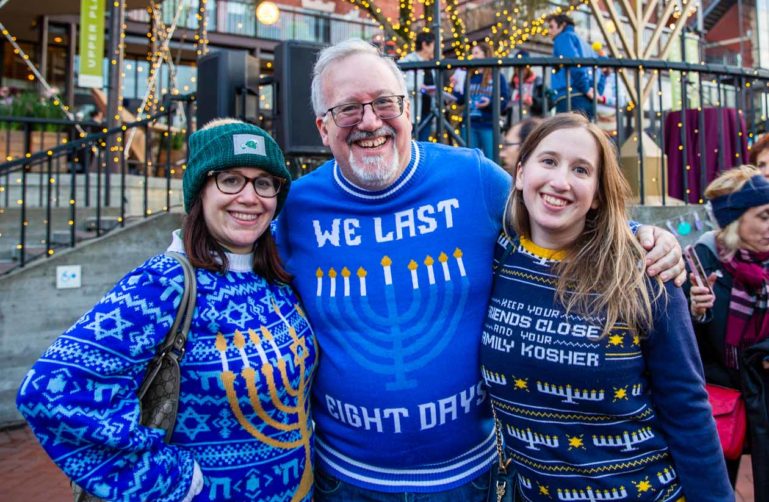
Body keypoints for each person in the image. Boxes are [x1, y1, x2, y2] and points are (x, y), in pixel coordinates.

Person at [275, 38, 684, 501]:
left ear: (408, 108)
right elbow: (227, 246)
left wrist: (646, 236)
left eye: (386, 102)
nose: (371, 121)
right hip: (348, 480)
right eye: (348, 109)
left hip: (469, 477)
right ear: (322, 129)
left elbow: (552, 208)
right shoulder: (297, 208)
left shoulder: (470, 177)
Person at [17, 120, 317, 501]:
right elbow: (51, 392)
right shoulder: (164, 284)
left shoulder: (275, 277)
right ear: (200, 191)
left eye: (264, 182)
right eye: (230, 179)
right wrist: (173, 480)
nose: (249, 196)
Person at [481, 113, 731, 500]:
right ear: (519, 173)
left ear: (597, 194)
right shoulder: (495, 256)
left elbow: (686, 405)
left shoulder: (643, 269)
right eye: (548, 161)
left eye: (581, 170)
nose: (560, 181)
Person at [685, 165, 769, 500]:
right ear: (734, 221)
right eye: (763, 216)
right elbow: (685, 345)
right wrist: (695, 312)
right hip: (723, 399)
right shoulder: (699, 260)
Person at [453, 42, 510, 159]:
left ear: (485, 55)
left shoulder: (497, 76)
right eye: (472, 53)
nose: (473, 56)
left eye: (476, 53)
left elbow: (504, 101)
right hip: (470, 123)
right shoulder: (471, 76)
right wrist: (455, 88)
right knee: (469, 159)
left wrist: (490, 103)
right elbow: (461, 100)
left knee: (491, 159)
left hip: (488, 124)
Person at [546, 14, 604, 120]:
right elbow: (601, 71)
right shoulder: (585, 44)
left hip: (569, 97)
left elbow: (573, 63)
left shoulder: (563, 37)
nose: (549, 31)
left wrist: (586, 89)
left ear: (562, 25)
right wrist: (596, 91)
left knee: (565, 133)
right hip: (587, 100)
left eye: (551, 26)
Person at [400, 31, 436, 142]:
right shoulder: (407, 61)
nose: (435, 48)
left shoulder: (431, 64)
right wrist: (419, 87)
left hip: (428, 111)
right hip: (413, 112)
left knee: (423, 145)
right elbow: (399, 84)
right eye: (433, 45)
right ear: (425, 44)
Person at [507, 50, 543, 122]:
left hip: (533, 123)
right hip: (513, 123)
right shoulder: (511, 85)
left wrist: (533, 101)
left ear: (528, 68)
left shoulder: (538, 82)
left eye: (523, 67)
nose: (519, 70)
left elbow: (548, 103)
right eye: (516, 67)